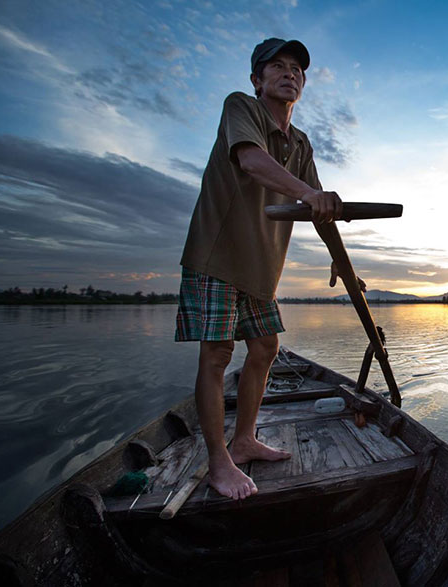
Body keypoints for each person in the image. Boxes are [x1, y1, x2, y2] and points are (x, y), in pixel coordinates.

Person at [174, 38, 343, 500]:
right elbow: (251, 161)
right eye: (278, 67)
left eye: (298, 70)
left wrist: (341, 262)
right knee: (216, 356)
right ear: (257, 79)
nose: (291, 74)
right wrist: (310, 196)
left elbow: (319, 204)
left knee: (265, 349)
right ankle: (218, 461)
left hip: (261, 266)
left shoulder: (302, 142)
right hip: (218, 253)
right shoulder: (242, 108)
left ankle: (244, 440)